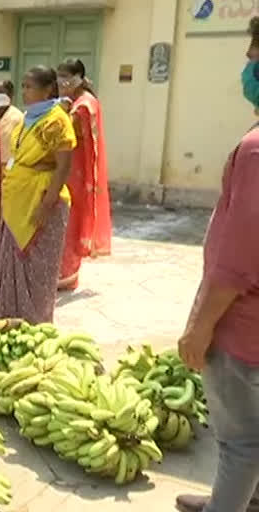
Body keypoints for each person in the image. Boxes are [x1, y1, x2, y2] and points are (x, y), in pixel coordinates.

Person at [175, 17, 259, 512]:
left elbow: (235, 262)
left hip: (243, 327)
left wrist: (199, 328)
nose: (248, 66)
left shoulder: (254, 151)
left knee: (240, 443)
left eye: (254, 54)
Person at [0, 66, 76, 324]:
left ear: (47, 89)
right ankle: (5, 313)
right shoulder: (28, 117)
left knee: (36, 266)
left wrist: (47, 204)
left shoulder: (56, 121)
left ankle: (32, 319)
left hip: (39, 200)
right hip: (17, 200)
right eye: (23, 86)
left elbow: (63, 167)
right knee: (9, 260)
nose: (24, 91)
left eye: (29, 87)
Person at [56, 58, 112, 291]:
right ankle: (65, 271)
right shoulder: (77, 101)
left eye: (66, 76)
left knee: (71, 223)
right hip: (71, 170)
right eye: (59, 76)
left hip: (76, 174)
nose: (62, 81)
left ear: (78, 77)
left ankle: (67, 274)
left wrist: (59, 112)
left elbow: (66, 130)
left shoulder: (84, 105)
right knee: (66, 221)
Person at [0, 80, 24, 183]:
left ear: (10, 95)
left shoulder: (18, 117)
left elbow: (21, 148)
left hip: (10, 171)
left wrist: (10, 168)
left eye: (2, 93)